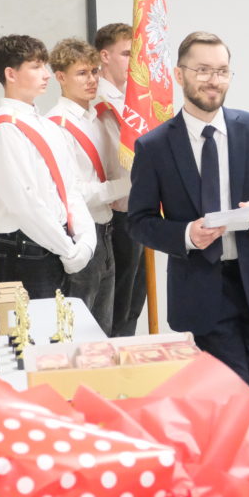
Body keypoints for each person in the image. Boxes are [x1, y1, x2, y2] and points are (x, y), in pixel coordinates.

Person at [128, 31, 249, 405]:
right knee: (235, 388)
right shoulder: (154, 146)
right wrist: (186, 234)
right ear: (179, 74)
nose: (213, 80)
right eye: (202, 70)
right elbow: (139, 221)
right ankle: (247, 440)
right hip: (201, 287)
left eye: (221, 71)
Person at [0, 35, 95, 300]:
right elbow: (24, 203)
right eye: (36, 67)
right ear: (11, 74)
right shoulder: (4, 127)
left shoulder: (46, 126)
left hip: (57, 240)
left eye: (44, 66)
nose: (46, 74)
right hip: (23, 246)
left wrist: (86, 240)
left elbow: (69, 189)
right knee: (34, 326)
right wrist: (68, 249)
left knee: (63, 323)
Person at [45, 38, 129, 335]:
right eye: (81, 73)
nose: (92, 79)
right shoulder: (56, 125)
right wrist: (127, 186)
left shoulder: (94, 118)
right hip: (79, 233)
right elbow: (72, 193)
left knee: (103, 329)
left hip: (105, 230)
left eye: (94, 71)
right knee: (77, 331)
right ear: (60, 77)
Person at [93, 23, 148, 336]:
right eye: (127, 54)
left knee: (134, 300)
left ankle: (127, 352)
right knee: (118, 302)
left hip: (138, 206)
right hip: (117, 211)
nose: (134, 61)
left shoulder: (133, 98)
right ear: (105, 56)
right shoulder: (101, 101)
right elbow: (120, 158)